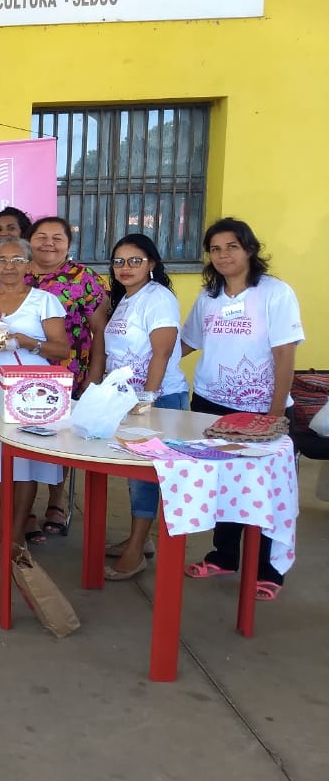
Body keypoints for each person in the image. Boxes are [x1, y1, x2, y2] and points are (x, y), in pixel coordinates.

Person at [180, 218, 303, 598]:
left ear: (249, 248)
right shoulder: (209, 296)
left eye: (231, 246)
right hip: (210, 404)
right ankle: (225, 555)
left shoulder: (274, 293)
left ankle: (268, 568)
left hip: (261, 408)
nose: (223, 255)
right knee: (224, 485)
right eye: (215, 249)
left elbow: (285, 354)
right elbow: (187, 344)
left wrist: (275, 411)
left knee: (262, 489)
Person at [0, 237, 71, 557]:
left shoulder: (44, 301)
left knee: (24, 461)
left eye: (17, 260)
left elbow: (61, 349)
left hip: (29, 388)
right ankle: (8, 529)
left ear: (29, 265)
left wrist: (25, 341)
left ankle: (16, 537)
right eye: (2, 260)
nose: (9, 267)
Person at [101, 234, 190, 581]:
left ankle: (136, 551)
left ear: (152, 263)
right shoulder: (126, 298)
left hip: (159, 400)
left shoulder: (158, 298)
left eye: (135, 261)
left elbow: (163, 352)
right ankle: (141, 540)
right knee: (137, 474)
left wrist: (148, 398)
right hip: (129, 400)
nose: (125, 268)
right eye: (119, 261)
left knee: (149, 478)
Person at [26, 216, 109, 538]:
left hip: (69, 373)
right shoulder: (18, 272)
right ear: (30, 240)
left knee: (59, 440)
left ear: (68, 244)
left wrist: (95, 375)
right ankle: (27, 509)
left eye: (57, 238)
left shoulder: (84, 278)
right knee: (26, 439)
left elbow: (100, 332)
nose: (49, 243)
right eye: (42, 236)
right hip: (23, 374)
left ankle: (56, 503)